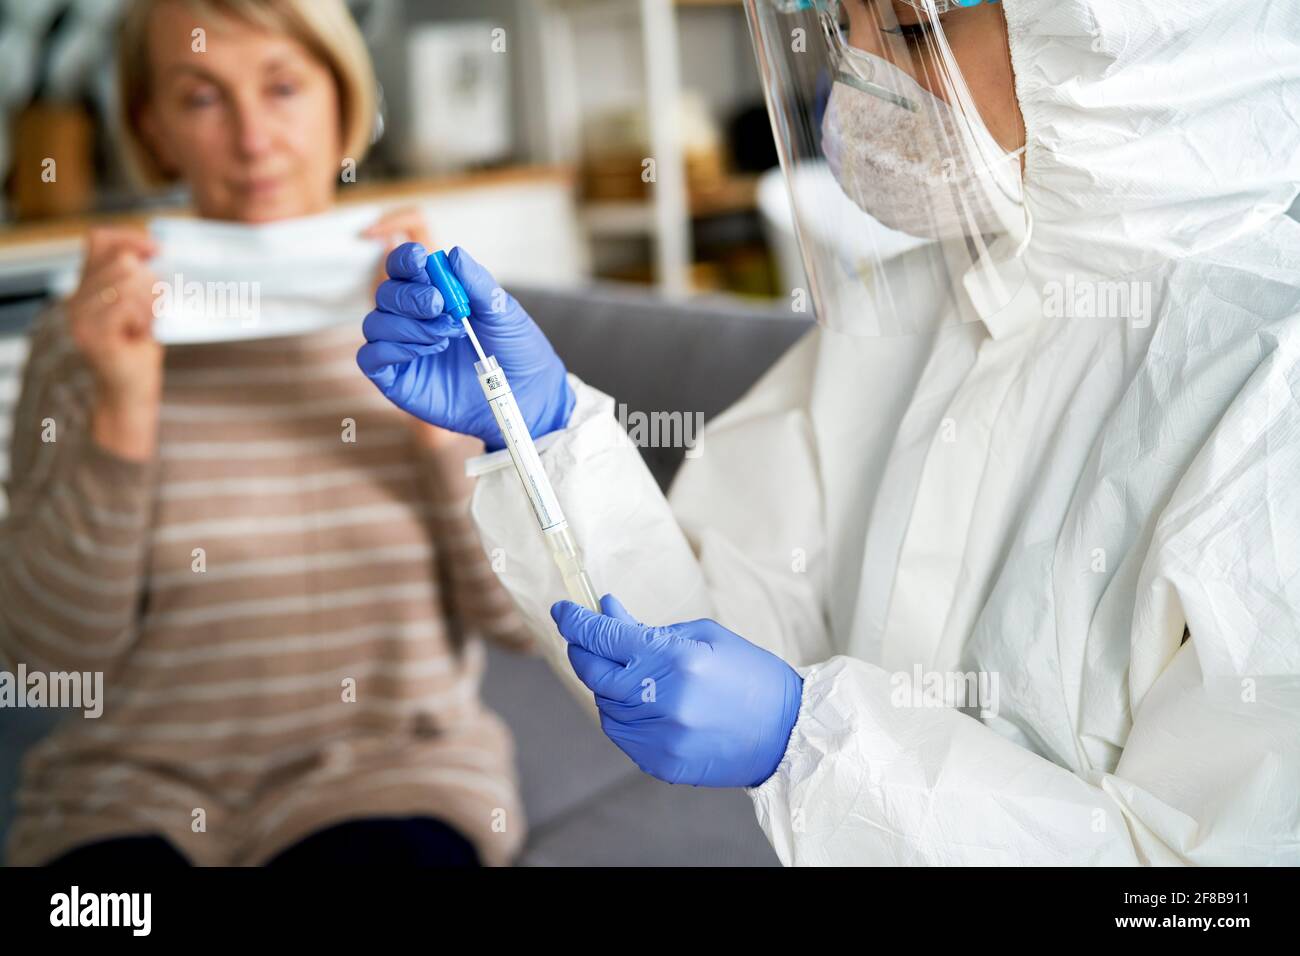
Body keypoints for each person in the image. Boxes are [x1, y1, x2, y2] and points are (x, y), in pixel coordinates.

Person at [360, 0, 1300, 865]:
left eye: (910, 29)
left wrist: (818, 748)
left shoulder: (1268, 388)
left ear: (1129, 42)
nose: (858, 77)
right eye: (841, 23)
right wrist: (546, 437)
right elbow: (704, 639)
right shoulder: (908, 315)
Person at [2, 0, 532, 867]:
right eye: (202, 97)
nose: (252, 139)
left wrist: (445, 425)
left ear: (341, 100)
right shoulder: (87, 338)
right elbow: (48, 661)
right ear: (152, 124)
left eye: (283, 87)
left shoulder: (447, 318)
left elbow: (522, 623)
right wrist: (121, 417)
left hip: (390, 780)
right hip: (124, 796)